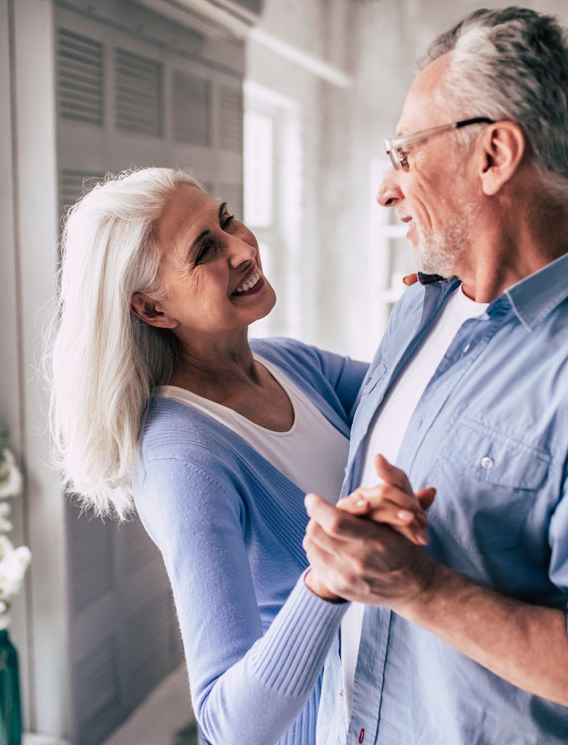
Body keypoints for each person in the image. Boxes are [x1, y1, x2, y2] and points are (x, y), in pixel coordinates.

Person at [300, 7, 568, 745]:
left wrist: (420, 587)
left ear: (492, 156)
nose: (385, 190)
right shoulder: (418, 307)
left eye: (403, 152)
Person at [48, 167, 433, 745]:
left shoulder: (288, 364)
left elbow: (419, 403)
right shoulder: (186, 458)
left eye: (226, 220)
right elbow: (228, 722)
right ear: (153, 310)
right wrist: (326, 580)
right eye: (205, 249)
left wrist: (431, 310)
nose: (242, 247)